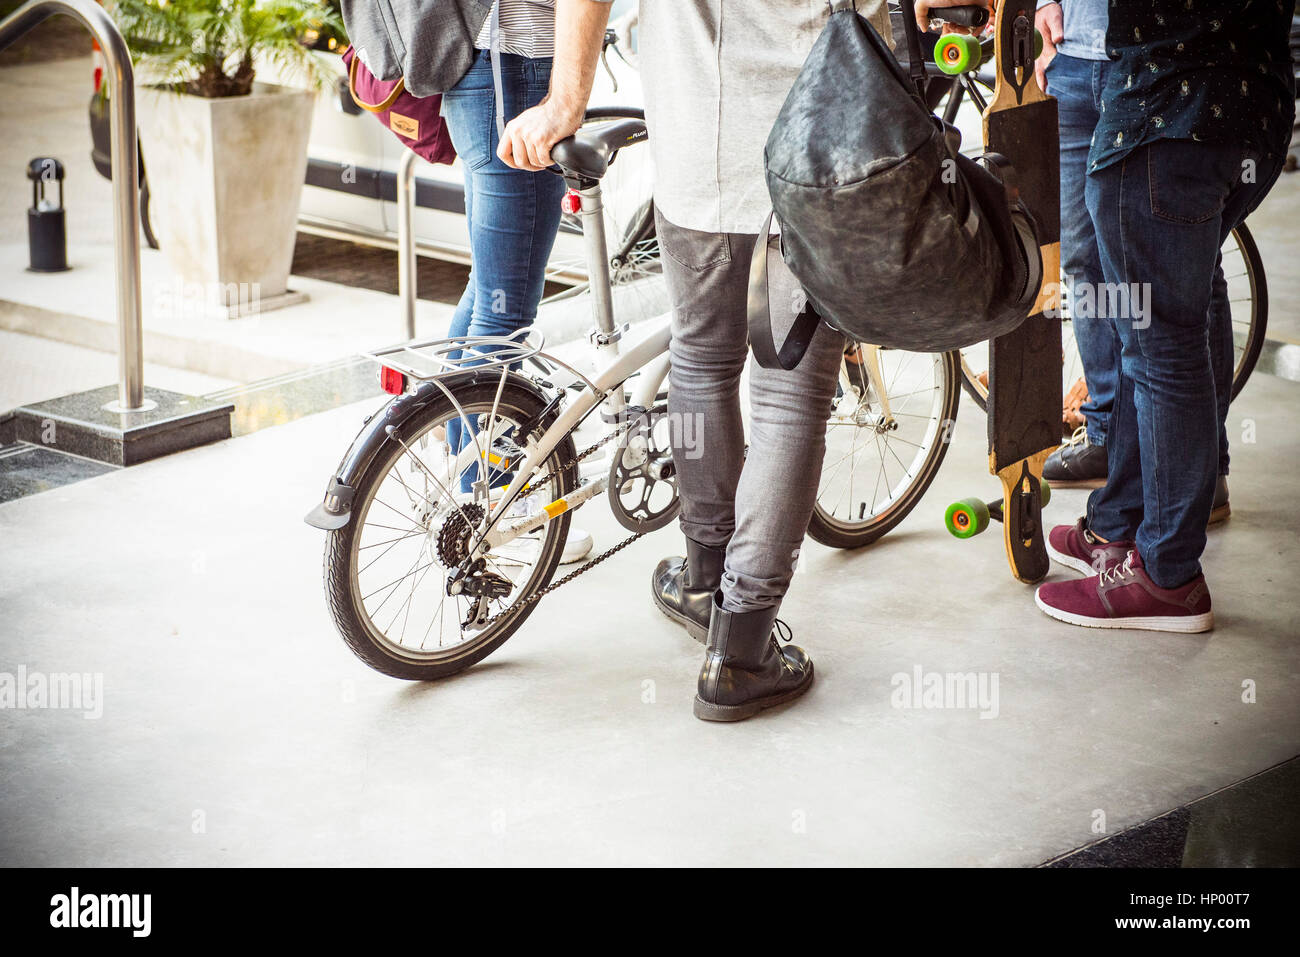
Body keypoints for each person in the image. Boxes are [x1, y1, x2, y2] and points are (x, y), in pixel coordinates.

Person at [502, 0, 985, 720]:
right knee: (789, 397)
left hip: (695, 146)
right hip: (819, 159)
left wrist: (563, 101)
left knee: (700, 360)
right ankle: (742, 648)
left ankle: (704, 580)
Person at [1035, 0, 1295, 633]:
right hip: (1247, 109)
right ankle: (1124, 524)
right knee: (1175, 318)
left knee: (1158, 348)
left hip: (1163, 114)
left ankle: (1167, 575)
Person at [1035, 0, 1230, 532]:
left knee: (1186, 275)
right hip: (1073, 60)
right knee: (1084, 264)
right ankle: (1106, 439)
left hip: (1161, 64)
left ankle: (1201, 472)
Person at [439, 0, 593, 563]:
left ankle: (460, 471)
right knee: (505, 312)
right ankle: (490, 506)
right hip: (519, 71)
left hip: (477, 68)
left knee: (488, 290)